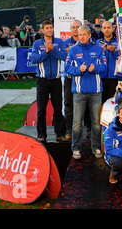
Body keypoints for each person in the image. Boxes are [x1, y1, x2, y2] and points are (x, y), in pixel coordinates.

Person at [65, 25, 106, 160]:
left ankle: (96, 147)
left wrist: (95, 68)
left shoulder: (98, 49)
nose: (81, 36)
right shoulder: (73, 50)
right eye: (79, 34)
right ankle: (76, 148)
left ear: (89, 35)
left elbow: (104, 66)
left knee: (96, 122)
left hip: (95, 92)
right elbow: (67, 68)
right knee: (77, 122)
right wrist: (79, 70)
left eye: (84, 34)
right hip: (79, 92)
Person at [30, 20, 68, 142]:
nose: (49, 30)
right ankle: (41, 135)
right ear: (42, 30)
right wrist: (46, 52)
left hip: (56, 80)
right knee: (41, 109)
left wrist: (53, 49)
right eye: (46, 28)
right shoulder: (37, 44)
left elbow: (64, 57)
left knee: (58, 109)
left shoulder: (59, 42)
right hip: (42, 81)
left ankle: (60, 134)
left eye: (51, 27)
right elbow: (33, 59)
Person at [63, 20, 90, 140]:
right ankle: (69, 131)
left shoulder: (87, 44)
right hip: (70, 79)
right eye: (73, 27)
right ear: (70, 29)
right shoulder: (65, 43)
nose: (75, 29)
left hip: (83, 79)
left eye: (77, 27)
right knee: (69, 105)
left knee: (88, 105)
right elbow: (63, 58)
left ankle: (89, 131)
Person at [100, 21, 119, 104]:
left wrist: (114, 51)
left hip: (114, 78)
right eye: (104, 28)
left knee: (112, 103)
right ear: (101, 30)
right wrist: (101, 52)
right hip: (101, 78)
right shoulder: (98, 43)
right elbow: (93, 60)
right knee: (101, 103)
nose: (106, 30)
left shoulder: (118, 43)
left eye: (108, 27)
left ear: (112, 29)